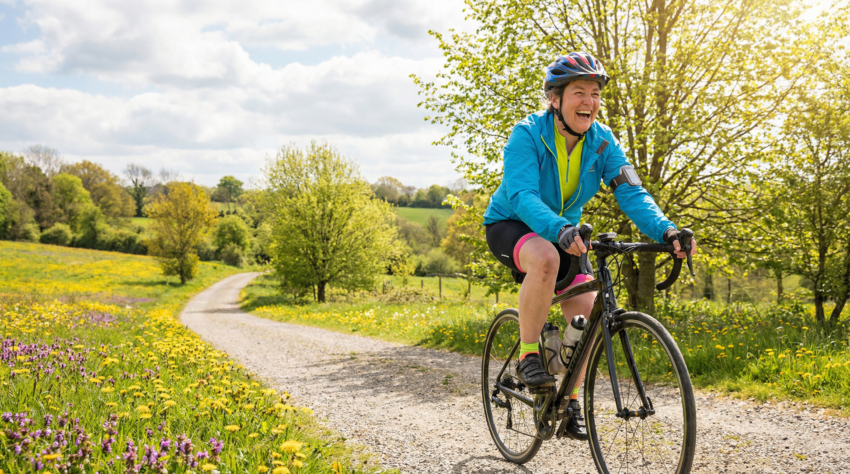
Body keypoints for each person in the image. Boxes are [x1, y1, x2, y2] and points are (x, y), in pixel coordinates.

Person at [482, 51, 697, 440]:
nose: (590, 101)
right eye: (579, 91)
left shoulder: (602, 142)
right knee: (546, 258)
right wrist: (559, 228)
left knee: (587, 315)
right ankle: (530, 355)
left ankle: (570, 402)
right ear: (555, 99)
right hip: (512, 223)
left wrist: (667, 231)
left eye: (595, 93)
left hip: (565, 231)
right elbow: (523, 193)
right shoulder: (527, 134)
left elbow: (632, 192)